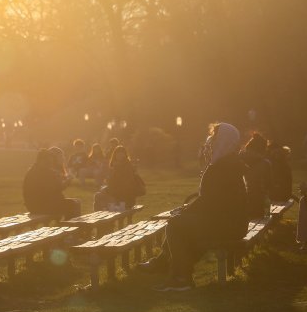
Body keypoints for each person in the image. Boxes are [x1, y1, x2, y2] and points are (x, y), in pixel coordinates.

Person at [140, 122, 248, 292]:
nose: (210, 142)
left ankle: (181, 278)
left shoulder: (223, 166)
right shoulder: (229, 162)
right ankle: (166, 266)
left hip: (228, 224)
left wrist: (187, 211)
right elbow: (212, 200)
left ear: (224, 141)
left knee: (175, 226)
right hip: (233, 222)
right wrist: (187, 211)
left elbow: (210, 201)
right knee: (180, 222)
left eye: (214, 138)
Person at [23, 149, 81, 220]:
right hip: (42, 206)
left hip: (33, 205)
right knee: (73, 205)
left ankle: (68, 226)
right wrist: (68, 180)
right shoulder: (43, 172)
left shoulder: (34, 170)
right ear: (42, 160)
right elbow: (58, 188)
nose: (50, 164)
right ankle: (71, 227)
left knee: (72, 203)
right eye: (48, 162)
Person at [94, 145, 145, 211]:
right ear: (114, 155)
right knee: (98, 196)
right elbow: (112, 182)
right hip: (119, 196)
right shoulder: (116, 166)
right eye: (118, 154)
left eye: (121, 154)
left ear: (125, 155)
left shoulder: (127, 166)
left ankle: (104, 214)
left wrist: (107, 188)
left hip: (125, 199)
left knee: (102, 197)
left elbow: (123, 185)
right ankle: (100, 214)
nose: (119, 155)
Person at [239, 133, 272, 219]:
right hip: (257, 205)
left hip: (238, 203)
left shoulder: (238, 159)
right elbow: (269, 186)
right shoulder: (265, 164)